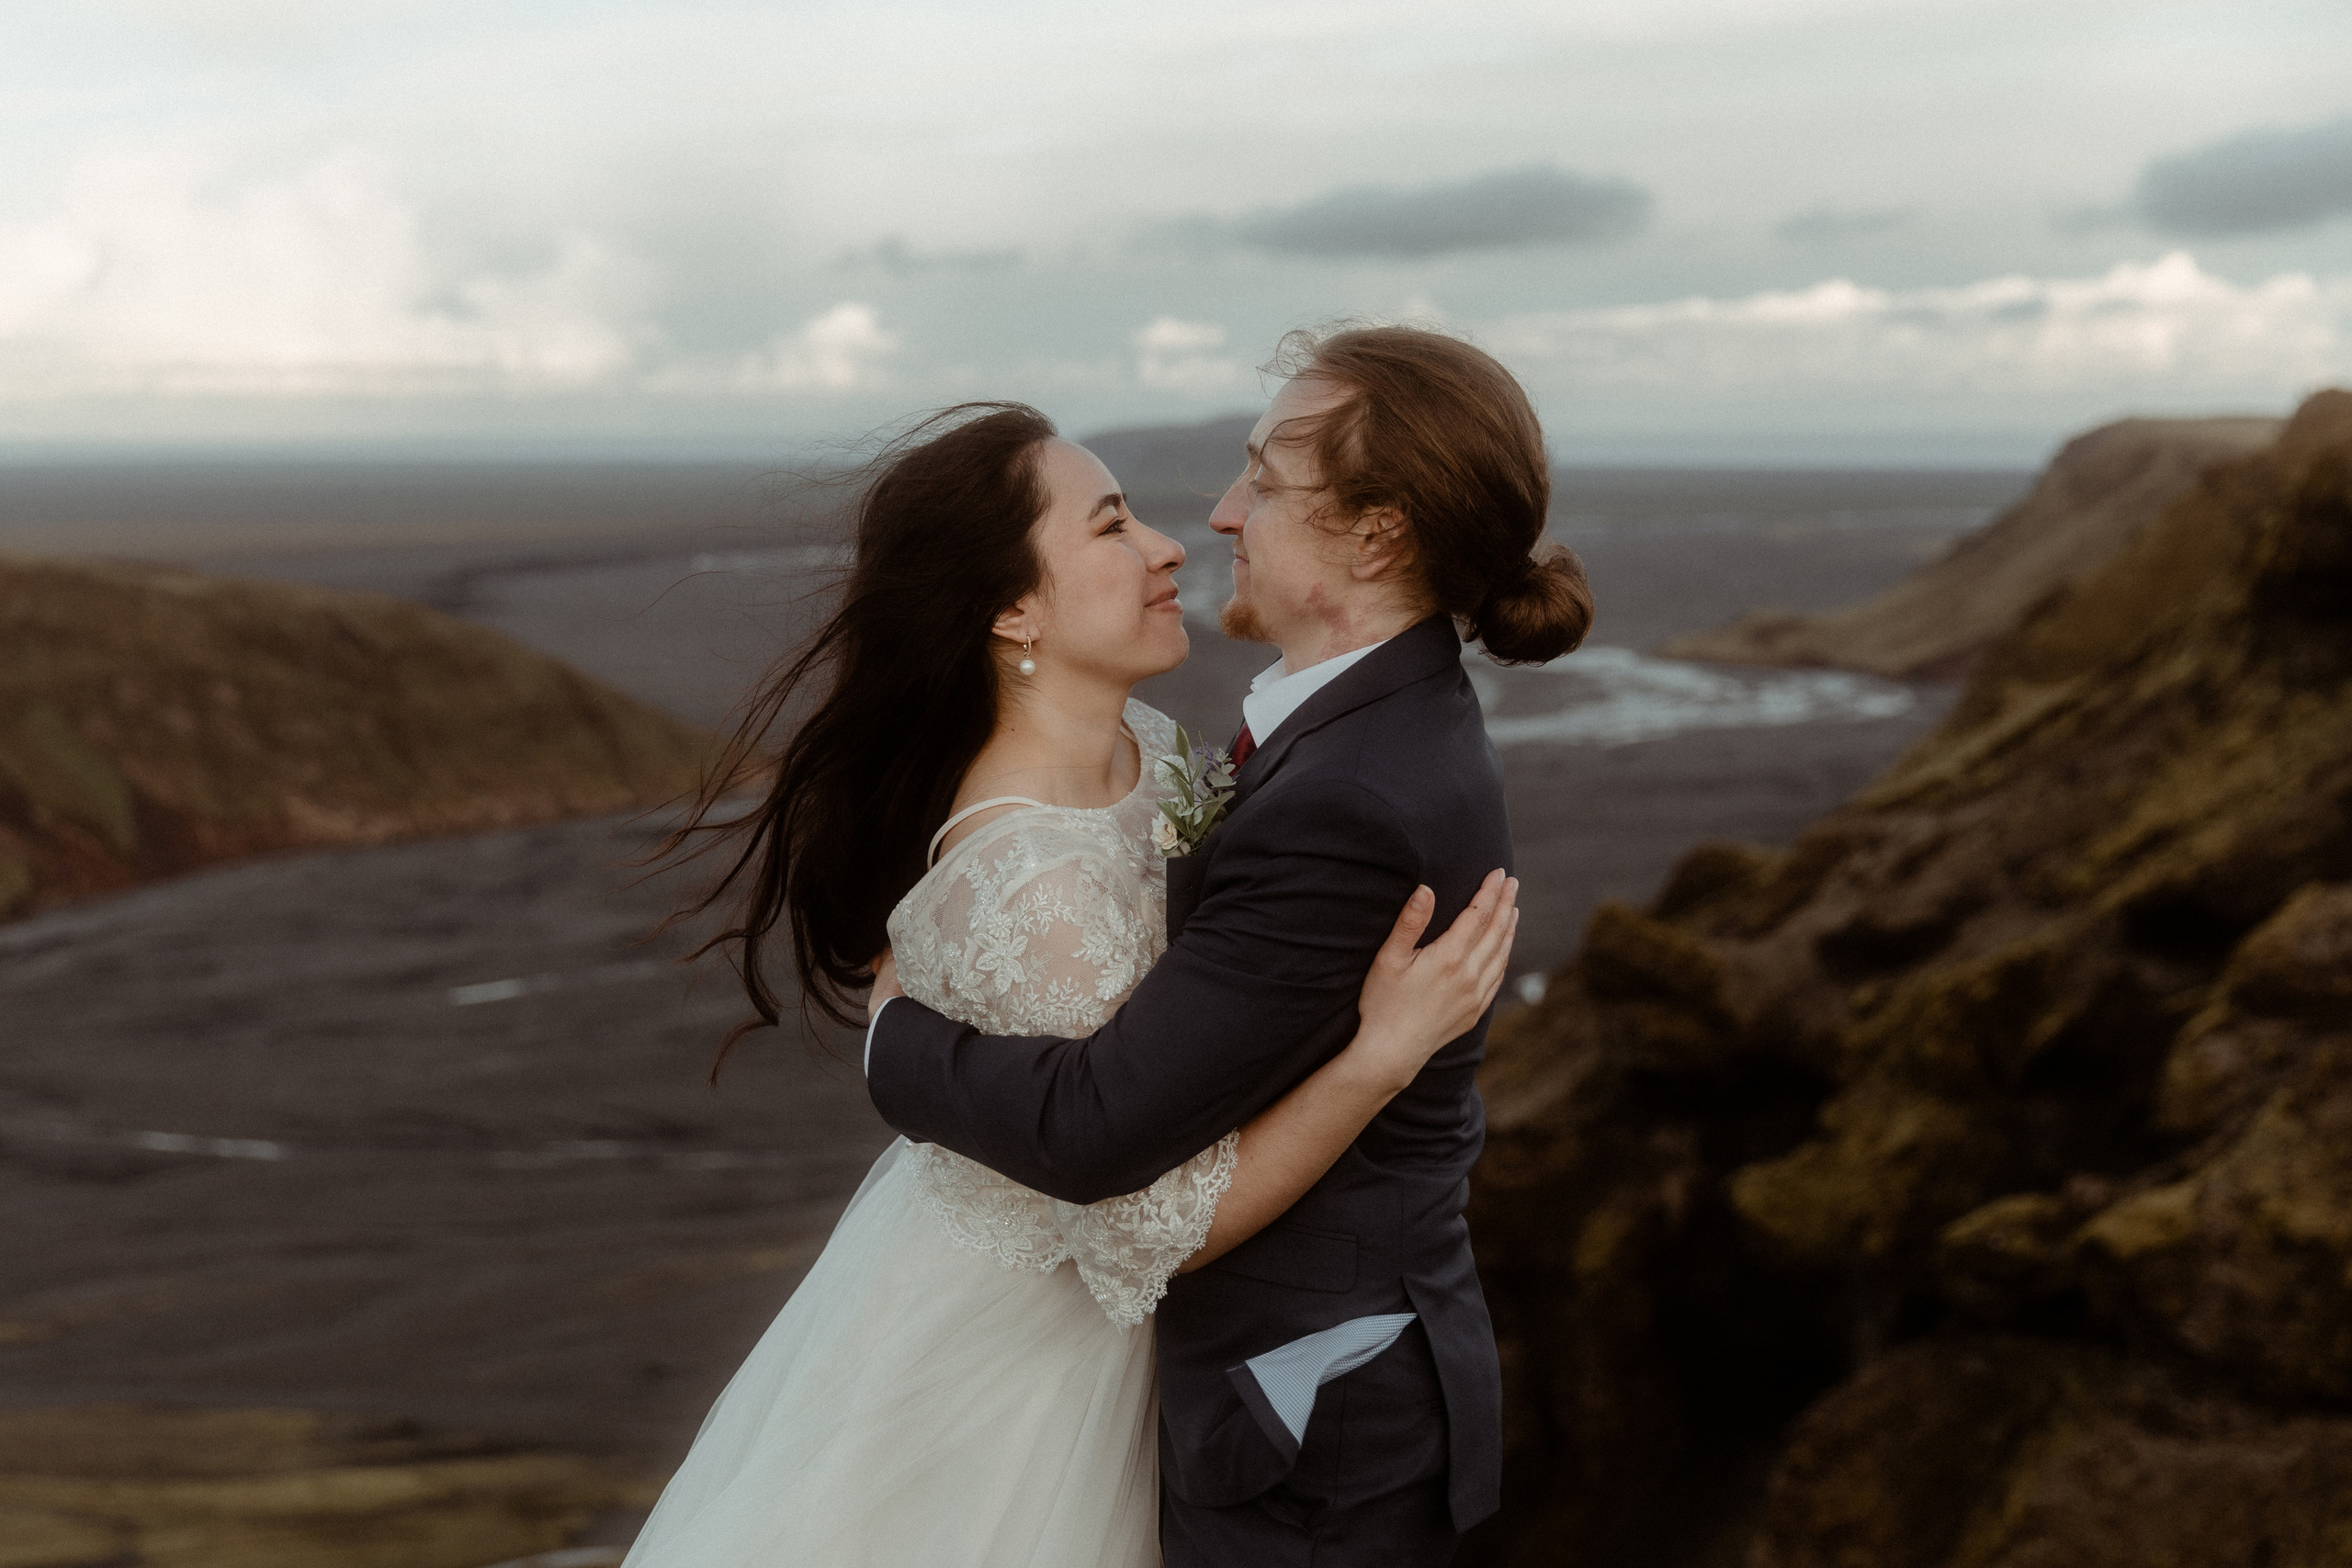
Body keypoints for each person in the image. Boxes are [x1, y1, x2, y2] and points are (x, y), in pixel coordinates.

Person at [625, 396, 1522, 1567]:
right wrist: (1377, 1061)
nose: (1168, 543)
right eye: (1109, 527)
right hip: (1012, 1359)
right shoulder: (1028, 875)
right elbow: (1152, 1221)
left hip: (1150, 1350)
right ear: (1011, 609)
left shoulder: (1147, 748)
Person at [865, 325, 1593, 1566]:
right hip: (1337, 1383)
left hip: (1308, 1424)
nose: (1216, 515)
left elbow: (1096, 1127)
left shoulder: (1349, 794)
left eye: (1261, 478)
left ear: (1375, 536)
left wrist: (899, 1038)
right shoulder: (1373, 722)